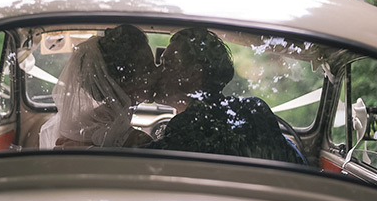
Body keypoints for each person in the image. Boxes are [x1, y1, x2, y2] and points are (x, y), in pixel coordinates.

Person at [154, 28, 302, 163]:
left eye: (167, 64)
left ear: (193, 74)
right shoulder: (255, 108)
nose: (157, 72)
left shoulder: (186, 126)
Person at [39, 25, 156, 149]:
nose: (157, 72)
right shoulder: (138, 141)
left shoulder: (81, 123)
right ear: (126, 81)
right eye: (148, 68)